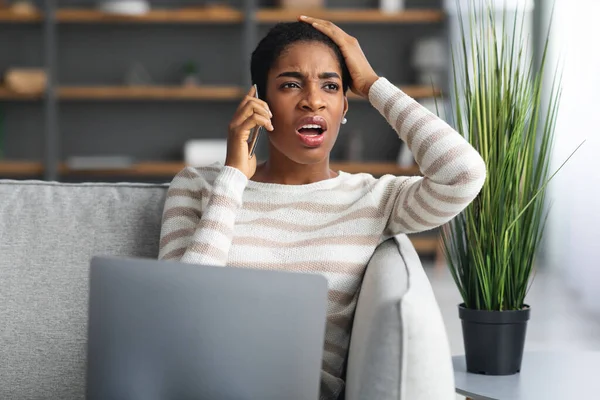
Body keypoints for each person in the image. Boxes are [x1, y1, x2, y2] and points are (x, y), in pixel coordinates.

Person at [158, 16, 486, 400]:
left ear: (344, 106)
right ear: (258, 102)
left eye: (330, 86)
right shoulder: (198, 185)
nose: (313, 100)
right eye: (291, 84)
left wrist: (372, 85)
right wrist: (232, 178)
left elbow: (463, 174)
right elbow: (177, 316)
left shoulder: (374, 199)